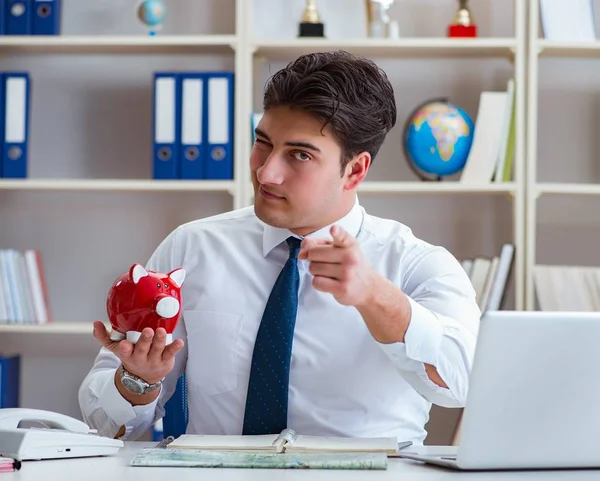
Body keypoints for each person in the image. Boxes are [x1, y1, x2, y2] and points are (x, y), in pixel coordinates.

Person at [78, 50, 481, 445]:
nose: (266, 172)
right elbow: (103, 425)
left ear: (354, 170)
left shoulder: (417, 265)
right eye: (263, 143)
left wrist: (375, 296)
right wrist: (138, 380)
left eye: (300, 155)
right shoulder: (192, 247)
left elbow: (461, 385)